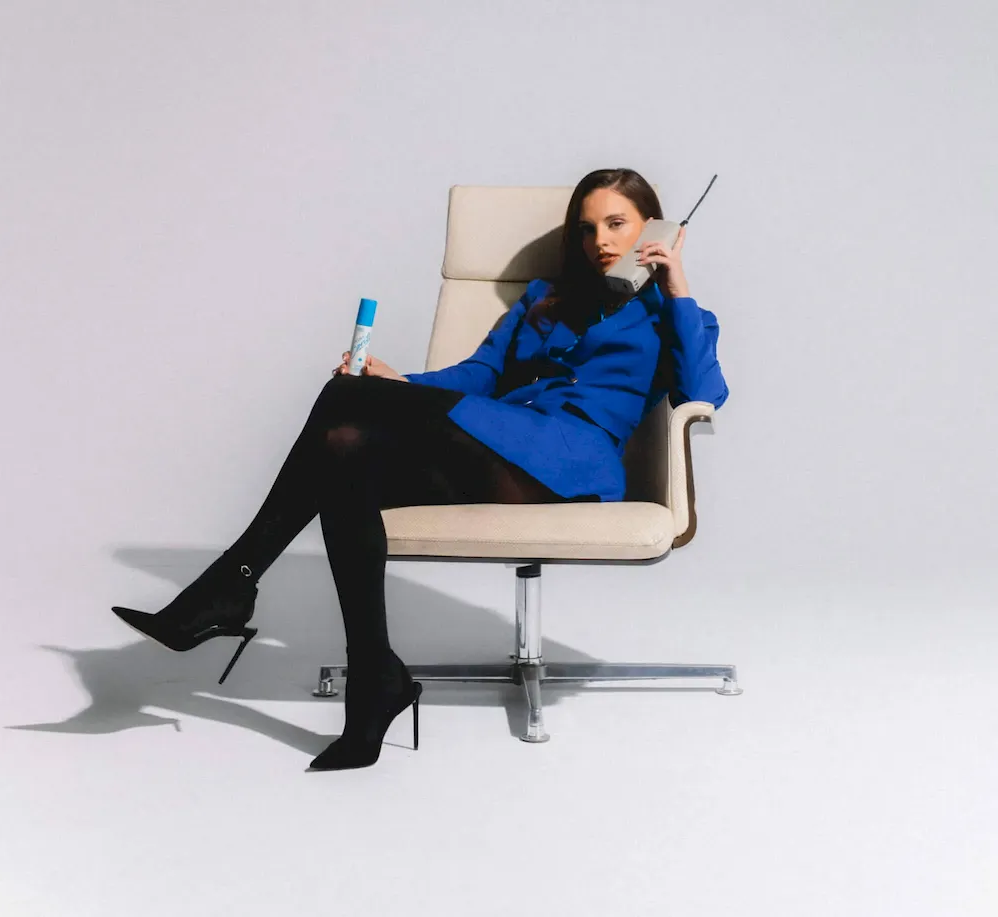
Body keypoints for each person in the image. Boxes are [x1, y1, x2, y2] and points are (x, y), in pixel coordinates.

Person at [111, 167, 729, 772]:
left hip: (569, 461)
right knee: (343, 454)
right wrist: (401, 383)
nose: (601, 241)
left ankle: (231, 586)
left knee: (345, 402)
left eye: (617, 224)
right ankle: (373, 675)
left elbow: (705, 393)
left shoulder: (677, 314)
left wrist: (675, 282)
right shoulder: (545, 298)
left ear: (656, 229)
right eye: (588, 228)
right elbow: (479, 375)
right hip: (499, 443)